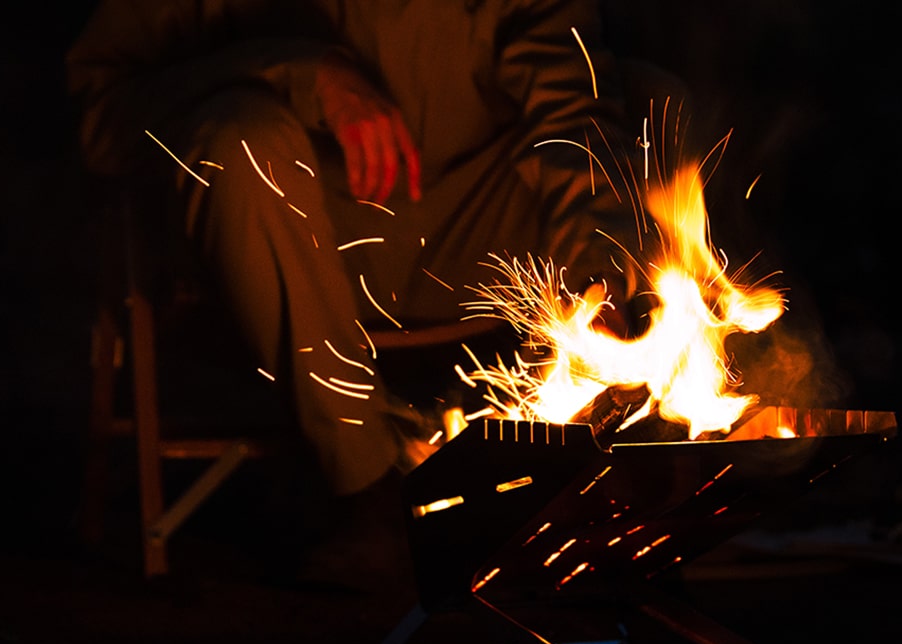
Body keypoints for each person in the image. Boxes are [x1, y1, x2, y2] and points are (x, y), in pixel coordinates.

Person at [65, 0, 681, 505]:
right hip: (288, 243)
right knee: (240, 140)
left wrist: (600, 277)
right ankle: (370, 492)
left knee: (654, 105)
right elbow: (100, 111)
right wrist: (299, 75)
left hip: (467, 233)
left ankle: (660, 442)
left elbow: (573, 111)